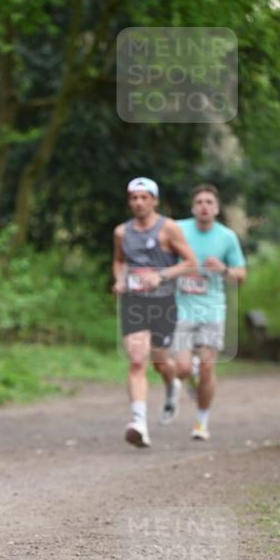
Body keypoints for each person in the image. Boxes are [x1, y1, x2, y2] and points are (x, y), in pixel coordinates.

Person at [113, 177, 196, 448]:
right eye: (134, 198)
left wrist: (160, 276)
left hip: (163, 303)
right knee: (137, 361)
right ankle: (139, 424)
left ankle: (172, 384)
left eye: (144, 197)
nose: (139, 202)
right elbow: (119, 261)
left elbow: (190, 262)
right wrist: (120, 279)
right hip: (134, 302)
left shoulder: (168, 228)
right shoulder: (121, 232)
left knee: (161, 363)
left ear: (154, 200)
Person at [172, 183, 246, 441]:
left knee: (207, 367)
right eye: (199, 202)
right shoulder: (177, 230)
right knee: (181, 368)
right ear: (193, 208)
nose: (204, 206)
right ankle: (190, 375)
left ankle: (201, 422)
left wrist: (223, 269)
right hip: (180, 308)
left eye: (209, 202)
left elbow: (241, 276)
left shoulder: (227, 237)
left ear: (216, 208)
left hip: (212, 310)